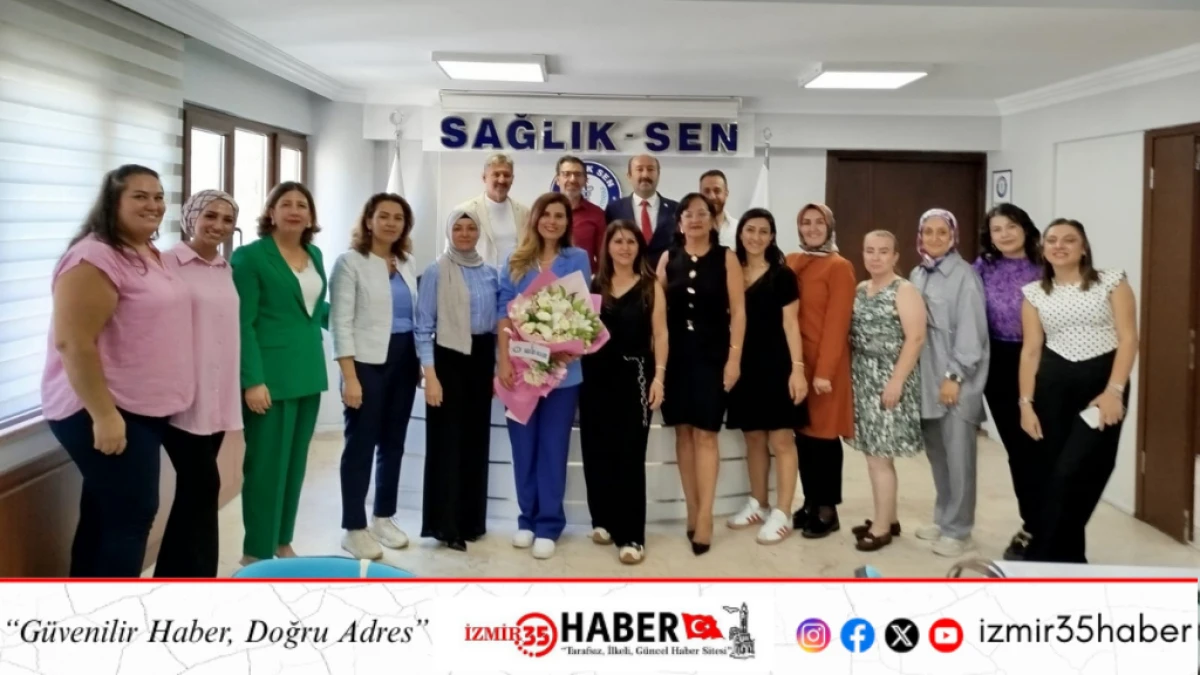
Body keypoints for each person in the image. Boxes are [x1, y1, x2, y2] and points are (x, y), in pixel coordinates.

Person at [43, 165, 194, 578]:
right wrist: (104, 415)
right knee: (131, 516)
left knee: (103, 514)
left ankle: (81, 608)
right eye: (140, 196)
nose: (153, 205)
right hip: (103, 408)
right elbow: (73, 343)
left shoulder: (144, 251)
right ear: (113, 202)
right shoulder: (93, 256)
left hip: (141, 407)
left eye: (159, 196)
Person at [1019, 219, 1137, 564]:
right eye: (1052, 240)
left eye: (1069, 240)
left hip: (1101, 387)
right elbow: (1031, 351)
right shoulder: (1034, 293)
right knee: (1053, 472)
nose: (1059, 246)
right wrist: (1025, 403)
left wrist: (1114, 390)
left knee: (1082, 470)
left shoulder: (1111, 281)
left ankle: (1042, 554)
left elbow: (1128, 338)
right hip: (1052, 387)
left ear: (1083, 248)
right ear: (1043, 249)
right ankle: (1066, 560)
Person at [231, 181, 328, 565]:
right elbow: (243, 323)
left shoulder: (314, 254)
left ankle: (282, 541)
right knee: (265, 468)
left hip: (308, 372)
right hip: (268, 379)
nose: (294, 210)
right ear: (270, 212)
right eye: (285, 204)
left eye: (302, 205)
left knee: (295, 465)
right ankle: (256, 551)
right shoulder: (250, 257)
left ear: (310, 216)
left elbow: (313, 309)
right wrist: (252, 380)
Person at [497, 193, 592, 560]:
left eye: (559, 216)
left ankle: (549, 524)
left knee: (553, 448)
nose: (552, 221)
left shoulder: (577, 258)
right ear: (535, 218)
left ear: (567, 223)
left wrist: (571, 347)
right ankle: (526, 519)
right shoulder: (514, 260)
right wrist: (503, 362)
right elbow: (503, 314)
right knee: (523, 448)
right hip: (520, 372)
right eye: (546, 214)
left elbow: (582, 310)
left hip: (562, 374)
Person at [330, 193, 420, 560]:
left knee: (393, 443)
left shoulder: (407, 262)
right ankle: (353, 528)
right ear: (369, 220)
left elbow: (414, 316)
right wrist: (349, 377)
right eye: (384, 216)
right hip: (366, 363)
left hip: (404, 359)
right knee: (361, 444)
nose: (391, 223)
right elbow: (340, 323)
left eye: (398, 218)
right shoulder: (350, 262)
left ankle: (383, 517)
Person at [158, 189, 242, 577]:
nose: (218, 225)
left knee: (194, 492)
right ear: (191, 217)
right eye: (210, 215)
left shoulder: (225, 269)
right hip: (181, 395)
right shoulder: (165, 263)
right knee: (204, 486)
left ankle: (172, 575)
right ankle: (202, 577)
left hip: (218, 395)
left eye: (227, 220)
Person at [656, 193, 746, 555]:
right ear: (679, 222)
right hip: (676, 358)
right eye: (688, 214)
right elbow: (656, 310)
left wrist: (734, 359)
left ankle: (706, 515)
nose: (695, 219)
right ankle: (691, 509)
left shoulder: (727, 258)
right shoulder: (668, 258)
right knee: (683, 433)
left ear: (712, 219)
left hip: (713, 358)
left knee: (707, 434)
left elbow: (739, 312)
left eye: (702, 213)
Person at [579, 220, 668, 564]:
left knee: (629, 456)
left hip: (635, 377)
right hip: (594, 377)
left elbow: (660, 335)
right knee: (596, 450)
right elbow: (580, 333)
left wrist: (659, 378)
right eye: (618, 241)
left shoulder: (650, 286)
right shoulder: (593, 285)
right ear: (607, 247)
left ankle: (631, 535)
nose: (624, 247)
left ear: (639, 247)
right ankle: (602, 520)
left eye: (631, 241)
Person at [416, 209, 499, 551]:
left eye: (471, 228)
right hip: (448, 358)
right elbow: (423, 327)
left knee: (476, 441)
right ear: (449, 232)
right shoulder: (436, 271)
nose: (465, 233)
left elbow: (497, 325)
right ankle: (446, 526)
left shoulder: (490, 273)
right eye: (458, 228)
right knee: (447, 444)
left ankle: (471, 521)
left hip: (481, 358)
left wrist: (497, 367)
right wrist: (430, 376)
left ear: (479, 233)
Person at [725, 209, 808, 544]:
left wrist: (798, 370)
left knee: (781, 440)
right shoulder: (732, 271)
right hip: (743, 366)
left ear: (772, 237)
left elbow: (792, 324)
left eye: (763, 231)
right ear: (740, 233)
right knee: (754, 438)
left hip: (777, 365)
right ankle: (758, 504)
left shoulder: (782, 275)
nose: (755, 237)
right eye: (750, 230)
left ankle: (783, 511)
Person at [910, 208, 989, 557]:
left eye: (942, 232)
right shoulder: (917, 273)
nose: (935, 238)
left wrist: (954, 377)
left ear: (953, 236)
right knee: (938, 456)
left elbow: (972, 334)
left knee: (959, 460)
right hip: (925, 383)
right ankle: (944, 520)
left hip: (955, 382)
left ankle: (960, 530)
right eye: (928, 231)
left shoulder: (965, 276)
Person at [972, 203, 1043, 560]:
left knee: (1047, 447)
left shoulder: (1045, 265)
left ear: (1025, 228)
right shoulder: (983, 266)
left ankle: (1055, 524)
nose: (1004, 234)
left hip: (1044, 361)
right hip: (999, 364)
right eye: (997, 229)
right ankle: (1032, 523)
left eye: (1011, 226)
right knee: (1019, 449)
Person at [848, 231, 926, 552]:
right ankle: (888, 518)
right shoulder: (861, 288)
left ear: (895, 256)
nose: (876, 257)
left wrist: (896, 381)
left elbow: (916, 338)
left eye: (883, 251)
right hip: (864, 377)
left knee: (880, 458)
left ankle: (881, 529)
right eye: (870, 250)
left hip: (890, 377)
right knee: (874, 455)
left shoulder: (904, 290)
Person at [784, 204, 856, 538]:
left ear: (830, 227)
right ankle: (811, 501)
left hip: (826, 366)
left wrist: (824, 371)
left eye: (819, 223)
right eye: (805, 222)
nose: (812, 228)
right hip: (797, 363)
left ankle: (828, 509)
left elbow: (838, 323)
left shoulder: (840, 267)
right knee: (802, 435)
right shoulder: (792, 260)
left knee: (824, 438)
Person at [451, 153, 530, 266]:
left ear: (512, 179)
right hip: (476, 275)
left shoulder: (524, 213)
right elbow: (452, 254)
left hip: (515, 276)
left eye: (506, 175)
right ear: (484, 177)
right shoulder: (464, 211)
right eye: (496, 174)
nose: (501, 180)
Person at [605, 155, 680, 265]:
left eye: (650, 169)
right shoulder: (614, 210)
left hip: (666, 273)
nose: (645, 175)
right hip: (627, 272)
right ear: (629, 176)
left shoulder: (676, 209)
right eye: (639, 169)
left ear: (658, 175)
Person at [554, 155, 607, 273]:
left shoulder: (597, 214)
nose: (572, 179)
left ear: (585, 180)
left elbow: (603, 257)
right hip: (548, 279)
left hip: (584, 279)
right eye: (566, 174)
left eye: (578, 175)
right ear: (558, 179)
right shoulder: (545, 212)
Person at [699, 170, 737, 248]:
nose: (712, 197)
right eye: (707, 191)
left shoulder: (738, 229)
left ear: (726, 193)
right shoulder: (691, 228)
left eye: (717, 191)